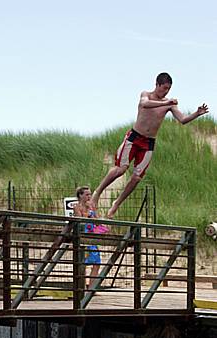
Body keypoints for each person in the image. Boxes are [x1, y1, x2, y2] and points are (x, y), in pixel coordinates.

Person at [92, 72, 209, 218]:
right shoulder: (146, 94)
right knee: (121, 169)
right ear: (157, 84)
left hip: (148, 143)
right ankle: (97, 193)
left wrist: (196, 114)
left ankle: (116, 204)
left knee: (136, 177)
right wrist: (166, 103)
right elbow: (144, 104)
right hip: (134, 138)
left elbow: (183, 119)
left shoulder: (169, 104)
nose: (166, 92)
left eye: (169, 89)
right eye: (164, 88)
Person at [73, 186, 101, 290]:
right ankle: (82, 286)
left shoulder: (92, 206)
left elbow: (97, 220)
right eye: (86, 194)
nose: (89, 196)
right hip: (83, 235)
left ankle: (92, 287)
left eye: (90, 194)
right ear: (80, 196)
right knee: (83, 262)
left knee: (97, 262)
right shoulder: (77, 207)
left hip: (92, 236)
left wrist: (92, 211)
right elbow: (80, 220)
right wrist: (88, 213)